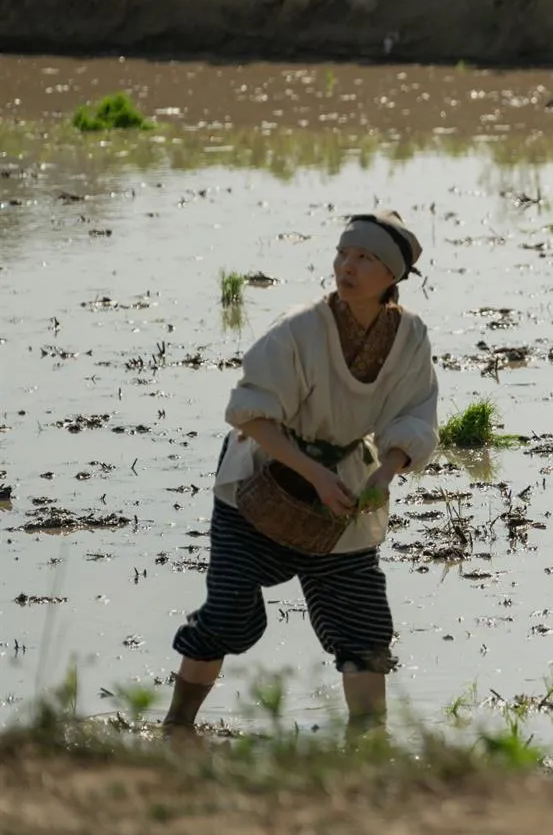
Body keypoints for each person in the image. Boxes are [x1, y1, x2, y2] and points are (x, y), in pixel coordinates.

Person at [164, 212, 438, 736]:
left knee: (363, 629)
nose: (347, 266)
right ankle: (177, 728)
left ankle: (367, 745)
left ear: (392, 276)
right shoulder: (300, 327)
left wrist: (386, 474)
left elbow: (414, 414)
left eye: (364, 258)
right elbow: (251, 414)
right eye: (343, 254)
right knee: (224, 616)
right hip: (259, 483)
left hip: (344, 491)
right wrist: (312, 472)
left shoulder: (410, 337)